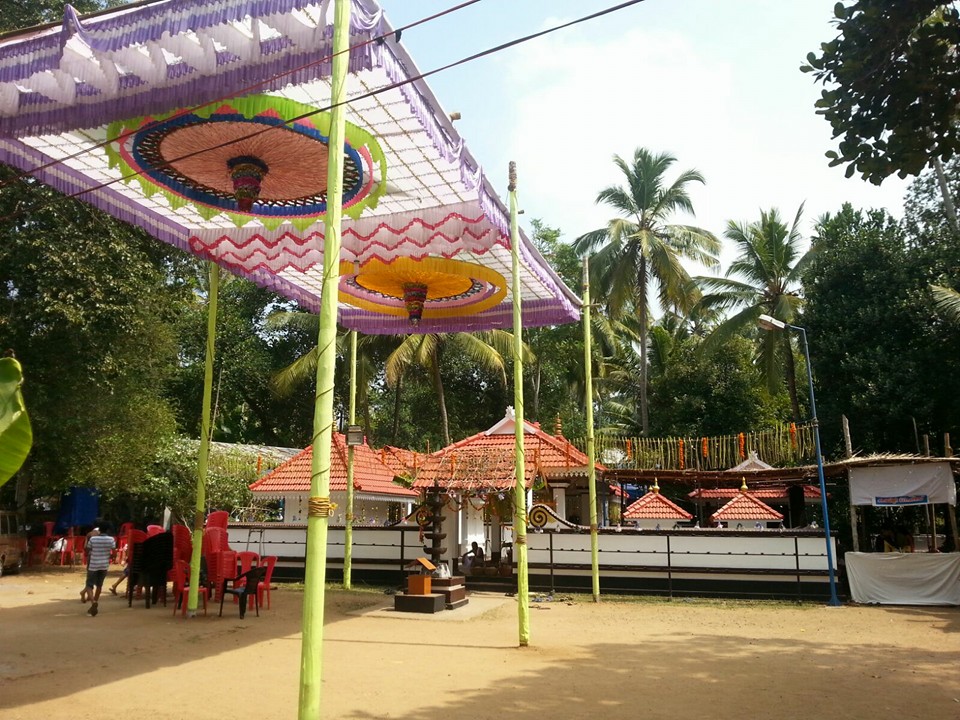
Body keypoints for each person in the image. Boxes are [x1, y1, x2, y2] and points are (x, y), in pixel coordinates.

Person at [82, 523, 116, 617]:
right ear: (108, 530)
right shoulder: (111, 539)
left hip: (93, 565)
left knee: (89, 585)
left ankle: (93, 602)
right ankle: (95, 602)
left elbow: (87, 550)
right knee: (99, 586)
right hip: (104, 565)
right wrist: (110, 557)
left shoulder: (93, 539)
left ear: (99, 530)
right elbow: (114, 553)